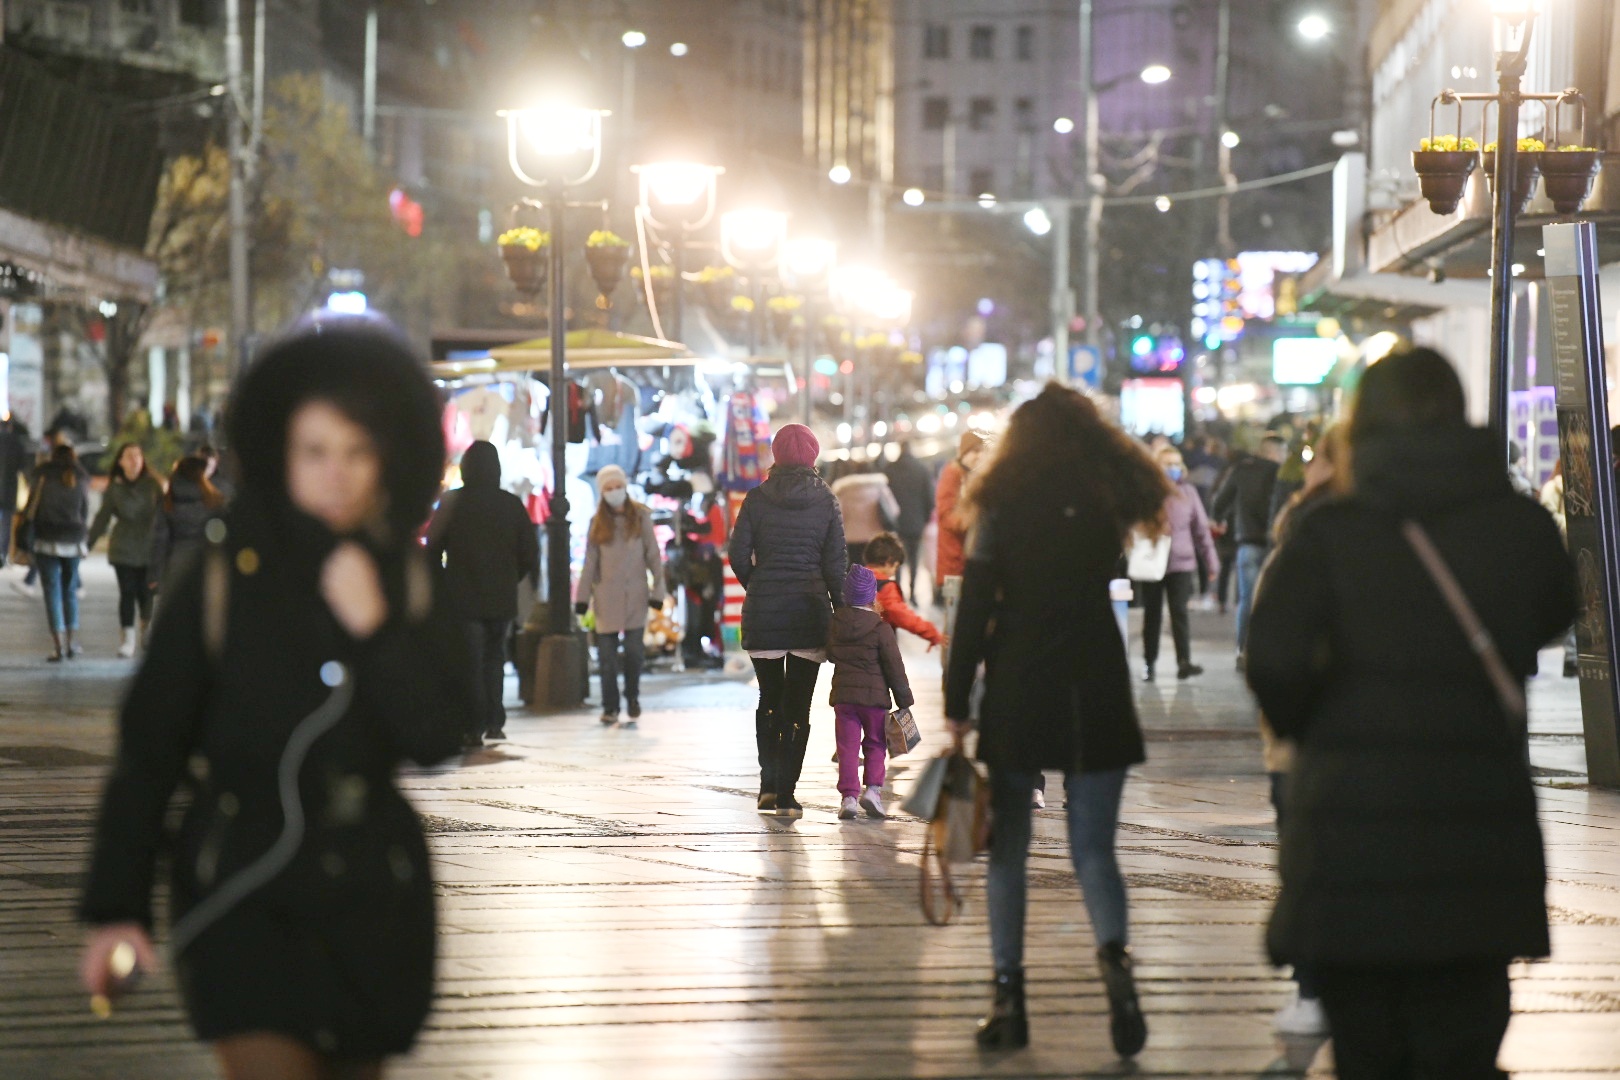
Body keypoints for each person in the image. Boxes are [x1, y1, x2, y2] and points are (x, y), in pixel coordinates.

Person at [78, 318, 474, 1080]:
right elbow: (149, 749)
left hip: (369, 900)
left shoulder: (406, 578)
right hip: (243, 891)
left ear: (387, 459)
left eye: (357, 453)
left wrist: (376, 630)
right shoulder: (222, 577)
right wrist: (115, 911)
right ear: (281, 454)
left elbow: (439, 735)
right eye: (316, 452)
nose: (337, 474)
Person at [1245, 348, 1574, 1078]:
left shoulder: (1328, 533)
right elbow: (1556, 608)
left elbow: (1270, 657)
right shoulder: (1518, 526)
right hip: (1478, 837)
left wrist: (1321, 727)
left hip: (1351, 838)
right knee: (1463, 1042)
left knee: (1368, 1051)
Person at [946, 383, 1169, 1057]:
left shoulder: (1001, 503)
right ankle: (1117, 972)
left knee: (1008, 851)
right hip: (1097, 681)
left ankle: (1008, 1003)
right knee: (1095, 850)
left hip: (1020, 683)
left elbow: (974, 605)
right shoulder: (1108, 497)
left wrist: (957, 702)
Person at [1254, 425, 1345, 1039]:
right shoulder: (1411, 527)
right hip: (1375, 746)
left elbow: (1268, 651)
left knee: (1309, 870)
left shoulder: (1306, 532)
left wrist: (1292, 727)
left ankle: (1313, 991)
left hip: (1305, 749)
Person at [729, 423, 846, 818]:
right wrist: (842, 613)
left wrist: (758, 584)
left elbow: (737, 554)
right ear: (813, 456)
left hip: (765, 611)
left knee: (769, 699)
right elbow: (835, 566)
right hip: (809, 612)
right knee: (798, 705)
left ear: (775, 455)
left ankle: (767, 786)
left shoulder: (756, 499)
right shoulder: (826, 500)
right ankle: (786, 794)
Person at [428, 440, 540, 747]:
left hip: (462, 596)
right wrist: (511, 577)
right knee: (495, 658)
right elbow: (529, 552)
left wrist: (444, 580)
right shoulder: (510, 504)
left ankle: (473, 725)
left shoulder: (453, 502)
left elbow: (432, 547)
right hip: (501, 596)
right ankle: (495, 721)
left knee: (471, 660)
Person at [575, 465, 665, 727]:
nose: (614, 492)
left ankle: (632, 697)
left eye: (618, 486)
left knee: (635, 654)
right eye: (609, 488)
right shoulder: (596, 523)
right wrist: (582, 599)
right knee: (607, 658)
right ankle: (610, 706)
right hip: (606, 598)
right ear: (601, 491)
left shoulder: (641, 516)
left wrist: (658, 591)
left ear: (625, 487)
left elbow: (653, 556)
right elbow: (590, 564)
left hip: (636, 595)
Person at [827, 564, 914, 821]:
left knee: (847, 747)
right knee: (876, 743)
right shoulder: (880, 628)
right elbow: (894, 666)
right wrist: (904, 699)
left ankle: (849, 798)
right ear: (872, 597)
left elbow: (831, 654)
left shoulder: (835, 625)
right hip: (875, 700)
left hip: (844, 698)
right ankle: (873, 791)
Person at [1139, 444, 1219, 681]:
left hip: (1181, 562)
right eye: (1168, 464)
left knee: (1179, 613)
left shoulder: (1188, 492)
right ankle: (1149, 663)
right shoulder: (1146, 491)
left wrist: (1211, 562)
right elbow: (1133, 521)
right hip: (1152, 561)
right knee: (1152, 614)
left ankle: (1184, 661)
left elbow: (1201, 530)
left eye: (1176, 463)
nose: (1173, 468)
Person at [1211, 432, 1285, 665]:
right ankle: (1268, 651)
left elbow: (1219, 502)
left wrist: (1219, 519)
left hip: (1247, 542)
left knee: (1246, 599)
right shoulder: (1280, 474)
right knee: (1272, 599)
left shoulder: (1241, 470)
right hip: (1274, 545)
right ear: (1275, 452)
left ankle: (1242, 649)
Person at [88, 442, 165, 657]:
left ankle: (146, 631)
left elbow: (165, 516)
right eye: (129, 456)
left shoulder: (153, 485)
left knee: (146, 593)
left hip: (149, 547)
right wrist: (87, 544)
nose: (134, 460)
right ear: (121, 461)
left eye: (138, 456)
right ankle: (128, 639)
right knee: (127, 592)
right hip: (123, 548)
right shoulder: (115, 488)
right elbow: (102, 518)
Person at [21, 443, 90, 661]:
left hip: (46, 539)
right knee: (70, 590)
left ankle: (58, 646)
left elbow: (31, 506)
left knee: (51, 591)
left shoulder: (42, 475)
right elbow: (84, 510)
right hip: (73, 540)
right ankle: (71, 643)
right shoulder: (80, 476)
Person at [151, 455, 226, 590]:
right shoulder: (214, 500)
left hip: (176, 562)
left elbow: (160, 539)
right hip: (205, 563)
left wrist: (155, 573)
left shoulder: (168, 501)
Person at [862, 532, 945, 650]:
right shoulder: (886, 587)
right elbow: (903, 616)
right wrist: (931, 633)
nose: (894, 572)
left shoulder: (854, 579)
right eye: (895, 567)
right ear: (889, 562)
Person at [934, 429, 987, 598]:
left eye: (982, 451)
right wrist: (972, 523)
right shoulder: (952, 473)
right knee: (953, 611)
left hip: (969, 561)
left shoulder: (975, 476)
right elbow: (945, 514)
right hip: (954, 563)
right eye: (975, 451)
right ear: (963, 453)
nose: (979, 456)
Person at [882, 440, 935, 602]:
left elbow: (884, 499)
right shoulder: (922, 469)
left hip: (896, 523)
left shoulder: (889, 470)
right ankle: (913, 593)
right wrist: (925, 519)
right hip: (916, 522)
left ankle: (899, 593)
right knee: (913, 559)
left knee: (897, 560)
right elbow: (930, 498)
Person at [1539, 461, 1576, 678]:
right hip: (1565, 549)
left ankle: (1572, 655)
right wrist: (1572, 525)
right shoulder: (1553, 488)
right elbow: (1548, 516)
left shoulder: (1580, 488)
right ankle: (1571, 656)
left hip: (1572, 549)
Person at [831, 468, 900, 567]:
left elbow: (838, 516)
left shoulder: (844, 491)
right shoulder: (880, 489)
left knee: (856, 568)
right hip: (876, 537)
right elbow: (894, 510)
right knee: (875, 567)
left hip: (852, 538)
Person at [0, 414, 30, 570]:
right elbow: (22, 467)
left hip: (7, 489)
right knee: (6, 524)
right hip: (8, 490)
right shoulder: (16, 443)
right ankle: (2, 554)